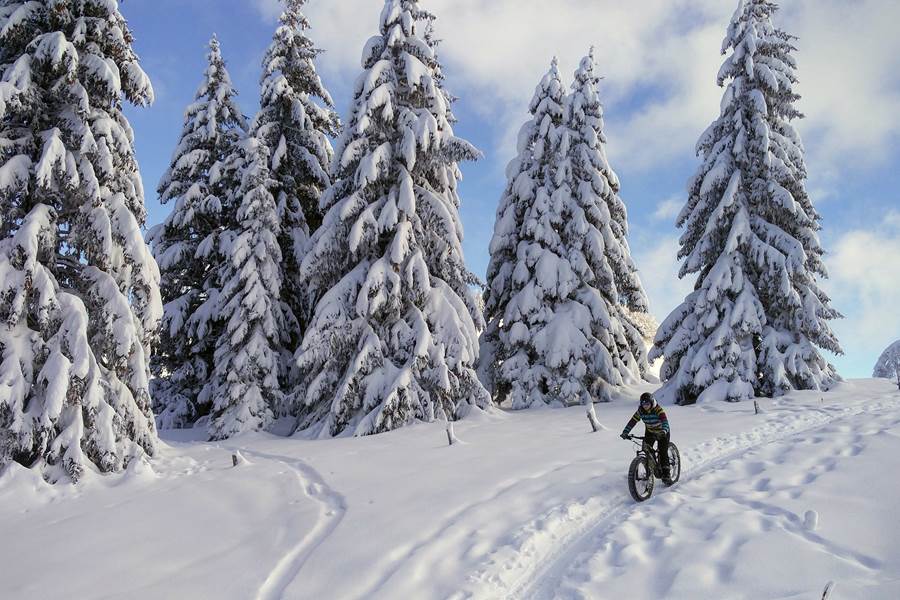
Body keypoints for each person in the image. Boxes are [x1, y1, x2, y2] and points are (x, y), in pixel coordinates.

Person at [620, 392, 671, 481]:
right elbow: (632, 421)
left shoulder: (658, 410)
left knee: (663, 451)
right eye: (643, 404)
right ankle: (651, 467)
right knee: (646, 449)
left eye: (647, 404)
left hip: (662, 432)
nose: (645, 406)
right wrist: (625, 432)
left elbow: (665, 422)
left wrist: (663, 431)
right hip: (650, 431)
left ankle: (667, 474)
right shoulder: (640, 411)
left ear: (651, 403)